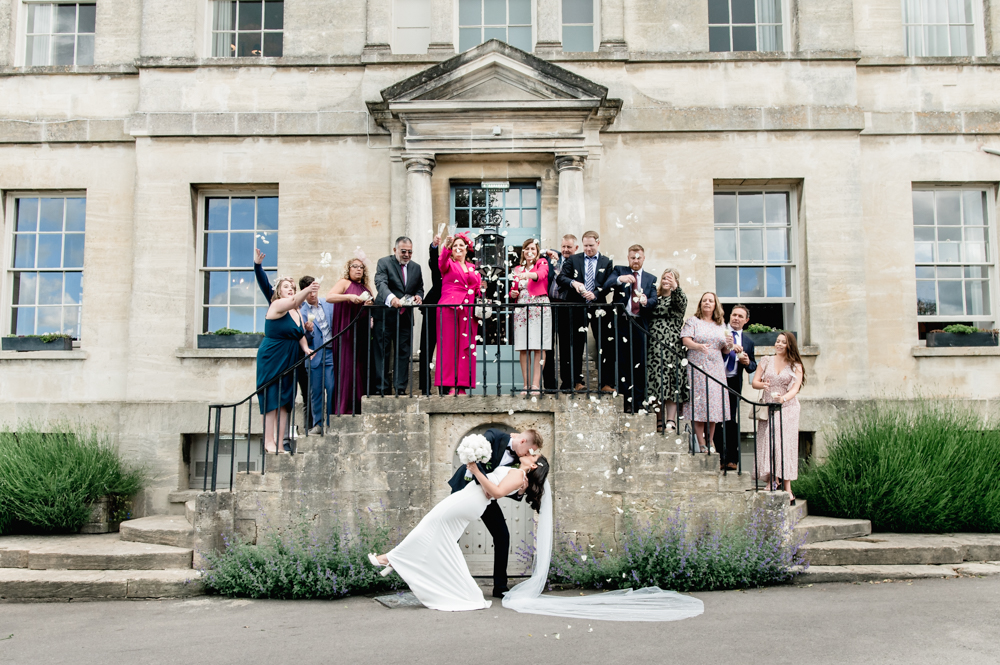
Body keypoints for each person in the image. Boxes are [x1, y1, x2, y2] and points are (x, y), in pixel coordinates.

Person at [369, 448, 548, 611]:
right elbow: (497, 489)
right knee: (441, 538)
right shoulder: (518, 474)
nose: (529, 452)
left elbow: (498, 492)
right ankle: (396, 560)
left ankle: (390, 558)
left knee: (430, 525)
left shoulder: (519, 475)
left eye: (533, 455)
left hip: (470, 500)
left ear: (533, 465)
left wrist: (476, 471)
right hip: (470, 498)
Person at [446, 428, 542, 598]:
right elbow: (476, 461)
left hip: (487, 498)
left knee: (502, 535)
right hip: (465, 488)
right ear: (522, 442)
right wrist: (485, 485)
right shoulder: (493, 436)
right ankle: (445, 580)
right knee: (453, 535)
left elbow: (506, 483)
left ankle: (500, 586)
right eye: (529, 450)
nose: (528, 454)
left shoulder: (518, 459)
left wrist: (520, 491)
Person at [256, 277, 318, 454]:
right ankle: (269, 441)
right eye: (286, 287)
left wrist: (306, 348)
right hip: (272, 356)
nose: (290, 289)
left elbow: (299, 334)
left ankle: (280, 443)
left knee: (285, 400)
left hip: (290, 358)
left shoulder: (296, 311)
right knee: (271, 398)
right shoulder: (276, 305)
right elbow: (294, 300)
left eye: (292, 287)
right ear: (278, 291)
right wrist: (308, 289)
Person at [556, 230, 614, 392]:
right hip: (577, 307)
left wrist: (596, 293)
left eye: (591, 245)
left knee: (604, 345)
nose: (588, 249)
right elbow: (561, 278)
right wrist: (574, 283)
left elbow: (609, 284)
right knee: (575, 345)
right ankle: (576, 381)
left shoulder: (606, 262)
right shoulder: (574, 259)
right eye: (585, 246)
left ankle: (606, 383)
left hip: (598, 308)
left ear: (598, 243)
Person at [604, 244, 658, 412]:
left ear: (643, 258)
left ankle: (639, 401)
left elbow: (655, 300)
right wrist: (621, 279)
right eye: (632, 257)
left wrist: (646, 302)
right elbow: (607, 285)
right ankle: (626, 401)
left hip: (640, 323)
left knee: (640, 362)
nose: (635, 260)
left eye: (638, 257)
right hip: (622, 321)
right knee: (623, 361)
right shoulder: (620, 270)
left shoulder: (651, 278)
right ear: (628, 258)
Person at [752, 331, 805, 502]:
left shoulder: (795, 365)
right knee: (768, 440)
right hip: (769, 406)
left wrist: (783, 398)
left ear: (790, 345)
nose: (779, 344)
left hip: (788, 407)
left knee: (783, 443)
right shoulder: (766, 360)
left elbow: (795, 388)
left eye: (783, 342)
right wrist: (763, 385)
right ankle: (772, 479)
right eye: (777, 341)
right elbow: (754, 382)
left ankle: (786, 486)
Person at [681, 292, 734, 454]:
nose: (707, 303)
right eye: (704, 300)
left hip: (716, 369)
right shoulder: (693, 321)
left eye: (710, 301)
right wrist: (698, 346)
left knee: (713, 405)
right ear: (700, 304)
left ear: (715, 305)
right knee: (699, 404)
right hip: (697, 367)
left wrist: (730, 345)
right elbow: (685, 340)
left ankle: (710, 440)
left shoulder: (721, 325)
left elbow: (724, 349)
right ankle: (701, 442)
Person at [373, 237, 425, 396]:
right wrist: (391, 298)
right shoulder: (384, 262)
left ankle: (400, 388)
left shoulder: (416, 267)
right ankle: (382, 388)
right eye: (403, 251)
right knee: (382, 351)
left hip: (405, 317)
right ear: (395, 250)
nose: (407, 254)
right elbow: (380, 283)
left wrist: (418, 296)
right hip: (385, 315)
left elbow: (419, 288)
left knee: (404, 353)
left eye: (410, 251)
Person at [326, 258, 375, 415]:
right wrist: (349, 297)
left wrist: (369, 310)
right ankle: (344, 408)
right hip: (345, 331)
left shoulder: (366, 288)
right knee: (347, 368)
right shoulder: (344, 283)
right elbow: (329, 297)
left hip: (361, 333)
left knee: (360, 368)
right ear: (348, 269)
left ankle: (358, 406)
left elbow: (370, 309)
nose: (358, 269)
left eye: (361, 267)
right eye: (355, 266)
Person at [435, 233, 482, 395]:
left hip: (468, 311)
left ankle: (462, 385)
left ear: (467, 249)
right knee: (449, 346)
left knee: (466, 347)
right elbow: (441, 262)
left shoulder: (473, 269)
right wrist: (446, 248)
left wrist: (482, 293)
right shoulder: (448, 264)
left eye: (461, 245)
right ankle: (450, 385)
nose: (458, 248)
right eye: (455, 246)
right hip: (449, 308)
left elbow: (477, 290)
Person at [646, 267, 688, 433]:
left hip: (672, 346)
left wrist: (675, 288)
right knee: (655, 381)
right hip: (653, 346)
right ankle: (658, 419)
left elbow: (682, 302)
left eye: (670, 279)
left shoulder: (677, 299)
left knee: (671, 382)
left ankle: (671, 419)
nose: (666, 281)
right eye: (664, 278)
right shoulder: (654, 297)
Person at [717, 304, 757, 471]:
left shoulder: (748, 341)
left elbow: (753, 366)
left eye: (740, 316)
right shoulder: (720, 333)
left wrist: (748, 363)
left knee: (731, 419)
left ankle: (732, 459)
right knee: (717, 419)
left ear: (746, 320)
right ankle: (720, 457)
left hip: (733, 382)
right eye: (734, 315)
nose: (736, 318)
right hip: (717, 379)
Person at [509, 238, 551, 395]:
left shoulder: (542, 263)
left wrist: (528, 274)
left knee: (539, 346)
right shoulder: (517, 269)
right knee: (523, 346)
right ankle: (526, 385)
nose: (530, 251)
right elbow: (514, 289)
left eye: (533, 249)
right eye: (527, 249)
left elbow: (541, 275)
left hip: (539, 305)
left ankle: (535, 385)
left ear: (537, 251)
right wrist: (513, 293)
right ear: (523, 251)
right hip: (522, 307)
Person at [299, 276, 335, 435]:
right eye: (308, 292)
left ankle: (332, 422)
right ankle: (318, 424)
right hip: (314, 355)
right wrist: (308, 331)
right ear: (303, 292)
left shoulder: (328, 304)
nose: (312, 295)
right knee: (316, 392)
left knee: (332, 388)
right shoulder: (302, 312)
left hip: (331, 352)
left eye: (314, 290)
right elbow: (301, 339)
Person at [541, 234, 578, 391]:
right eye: (563, 246)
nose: (565, 250)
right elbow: (534, 251)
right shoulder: (551, 257)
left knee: (565, 346)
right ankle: (549, 383)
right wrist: (548, 251)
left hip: (567, 307)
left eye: (569, 247)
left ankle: (567, 383)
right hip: (549, 305)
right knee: (548, 345)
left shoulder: (578, 262)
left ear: (576, 248)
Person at [419, 234, 443, 395]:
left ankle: (446, 386)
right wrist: (434, 246)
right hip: (433, 309)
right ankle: (425, 387)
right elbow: (435, 261)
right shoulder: (439, 269)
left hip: (450, 312)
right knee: (426, 348)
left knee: (446, 351)